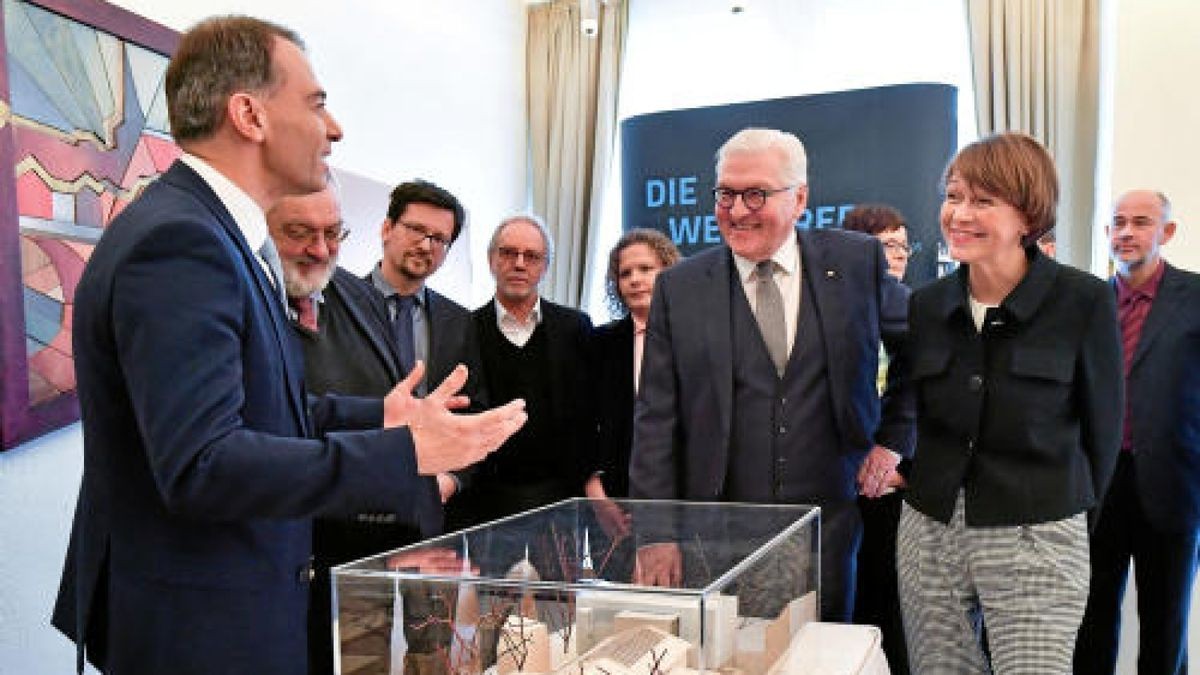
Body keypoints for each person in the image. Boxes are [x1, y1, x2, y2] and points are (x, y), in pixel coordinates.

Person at [50, 16, 525, 674]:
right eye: (317, 103)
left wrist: (381, 415)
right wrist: (404, 452)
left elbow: (263, 404)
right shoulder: (181, 242)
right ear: (249, 114)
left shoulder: (211, 233)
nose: (334, 129)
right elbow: (204, 463)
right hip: (201, 626)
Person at [629, 127, 914, 621]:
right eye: (725, 194)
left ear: (799, 197)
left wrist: (894, 439)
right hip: (715, 533)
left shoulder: (854, 262)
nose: (737, 210)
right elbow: (655, 418)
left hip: (828, 523)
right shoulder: (680, 288)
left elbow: (922, 352)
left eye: (755, 193)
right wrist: (656, 533)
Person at [897, 132, 1122, 673]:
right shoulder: (927, 305)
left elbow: (1104, 431)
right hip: (931, 534)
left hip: (1037, 530)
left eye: (982, 201)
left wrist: (1064, 516)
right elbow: (913, 411)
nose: (958, 214)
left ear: (1027, 216)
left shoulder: (1083, 299)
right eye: (953, 196)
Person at [1075, 190, 1200, 675]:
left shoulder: (1194, 298)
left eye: (1141, 222)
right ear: (1106, 234)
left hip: (1175, 486)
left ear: (1165, 232)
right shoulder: (1089, 305)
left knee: (1165, 624)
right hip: (1099, 487)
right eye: (1118, 223)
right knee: (1093, 619)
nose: (1127, 232)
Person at [464, 215, 594, 526]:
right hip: (486, 501)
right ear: (491, 260)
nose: (520, 264)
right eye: (508, 253)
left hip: (562, 499)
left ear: (545, 266)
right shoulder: (463, 329)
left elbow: (589, 414)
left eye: (532, 256)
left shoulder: (575, 327)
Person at [841, 203, 912, 674]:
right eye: (886, 245)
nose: (898, 255)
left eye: (903, 245)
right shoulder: (834, 315)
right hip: (840, 484)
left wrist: (901, 468)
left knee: (898, 614)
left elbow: (925, 397)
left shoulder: (918, 311)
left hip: (898, 488)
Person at [587, 228, 681, 501]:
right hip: (619, 494)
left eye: (645, 269)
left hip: (687, 494)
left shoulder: (698, 336)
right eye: (625, 273)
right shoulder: (600, 342)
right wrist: (598, 495)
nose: (635, 280)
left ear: (670, 272)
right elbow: (585, 423)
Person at [842, 203, 915, 282]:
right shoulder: (831, 292)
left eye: (905, 247)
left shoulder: (911, 293)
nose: (902, 255)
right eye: (890, 245)